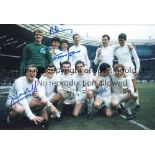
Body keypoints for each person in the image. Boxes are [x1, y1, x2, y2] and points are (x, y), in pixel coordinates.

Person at [114, 33, 140, 111]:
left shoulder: (129, 47)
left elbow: (136, 58)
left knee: (134, 88)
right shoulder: (116, 49)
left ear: (125, 40)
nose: (121, 42)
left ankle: (137, 104)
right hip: (121, 71)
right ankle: (122, 105)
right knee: (123, 89)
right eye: (119, 40)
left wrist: (137, 68)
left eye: (122, 40)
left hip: (130, 70)